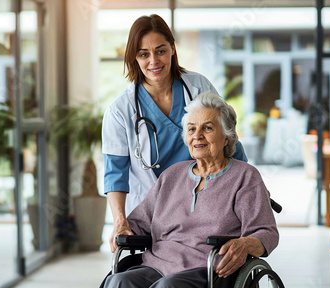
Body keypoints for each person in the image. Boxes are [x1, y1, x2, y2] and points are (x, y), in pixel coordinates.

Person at [101, 92, 279, 288]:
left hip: (209, 272)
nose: (197, 136)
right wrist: (123, 226)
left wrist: (246, 245)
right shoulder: (172, 175)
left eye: (207, 128)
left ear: (226, 137)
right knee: (121, 281)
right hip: (157, 265)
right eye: (192, 129)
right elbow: (141, 221)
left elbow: (266, 231)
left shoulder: (244, 177)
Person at [101, 14, 248, 253]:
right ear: (134, 58)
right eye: (143, 54)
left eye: (160, 51)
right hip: (156, 211)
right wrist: (120, 221)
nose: (153, 61)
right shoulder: (120, 110)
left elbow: (227, 139)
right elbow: (115, 172)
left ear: (172, 48)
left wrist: (248, 184)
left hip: (207, 202)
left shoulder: (198, 87)